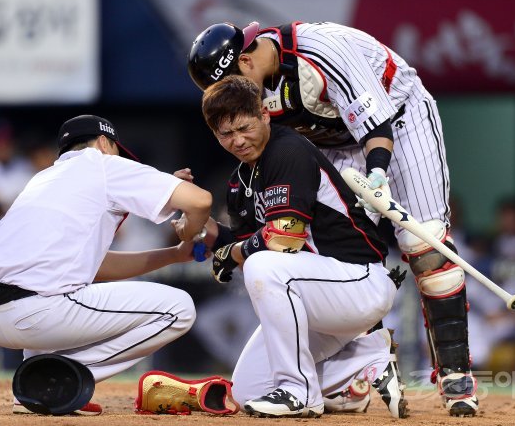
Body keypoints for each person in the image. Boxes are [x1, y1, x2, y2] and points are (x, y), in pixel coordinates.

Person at [188, 21, 478, 417]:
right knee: (316, 244)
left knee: (423, 245)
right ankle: (359, 367)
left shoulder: (320, 50)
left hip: (398, 118)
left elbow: (376, 123)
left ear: (246, 61)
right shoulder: (252, 102)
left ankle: (456, 377)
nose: (229, 99)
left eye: (229, 84)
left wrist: (378, 172)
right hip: (333, 141)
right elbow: (271, 235)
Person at [0, 114, 212, 415]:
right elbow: (200, 201)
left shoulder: (44, 179)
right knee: (179, 308)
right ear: (103, 143)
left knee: (59, 290)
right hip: (37, 312)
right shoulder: (102, 164)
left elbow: (97, 267)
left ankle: (42, 388)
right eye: (116, 151)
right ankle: (53, 379)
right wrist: (189, 230)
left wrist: (174, 254)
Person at [193, 75, 407, 418]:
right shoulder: (239, 182)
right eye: (226, 134)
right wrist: (199, 223)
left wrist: (232, 254)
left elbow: (284, 237)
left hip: (357, 281)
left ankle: (300, 392)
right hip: (313, 298)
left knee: (263, 266)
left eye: (244, 127)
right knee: (249, 391)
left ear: (264, 114)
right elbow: (245, 244)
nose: (238, 140)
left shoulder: (286, 150)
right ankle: (367, 358)